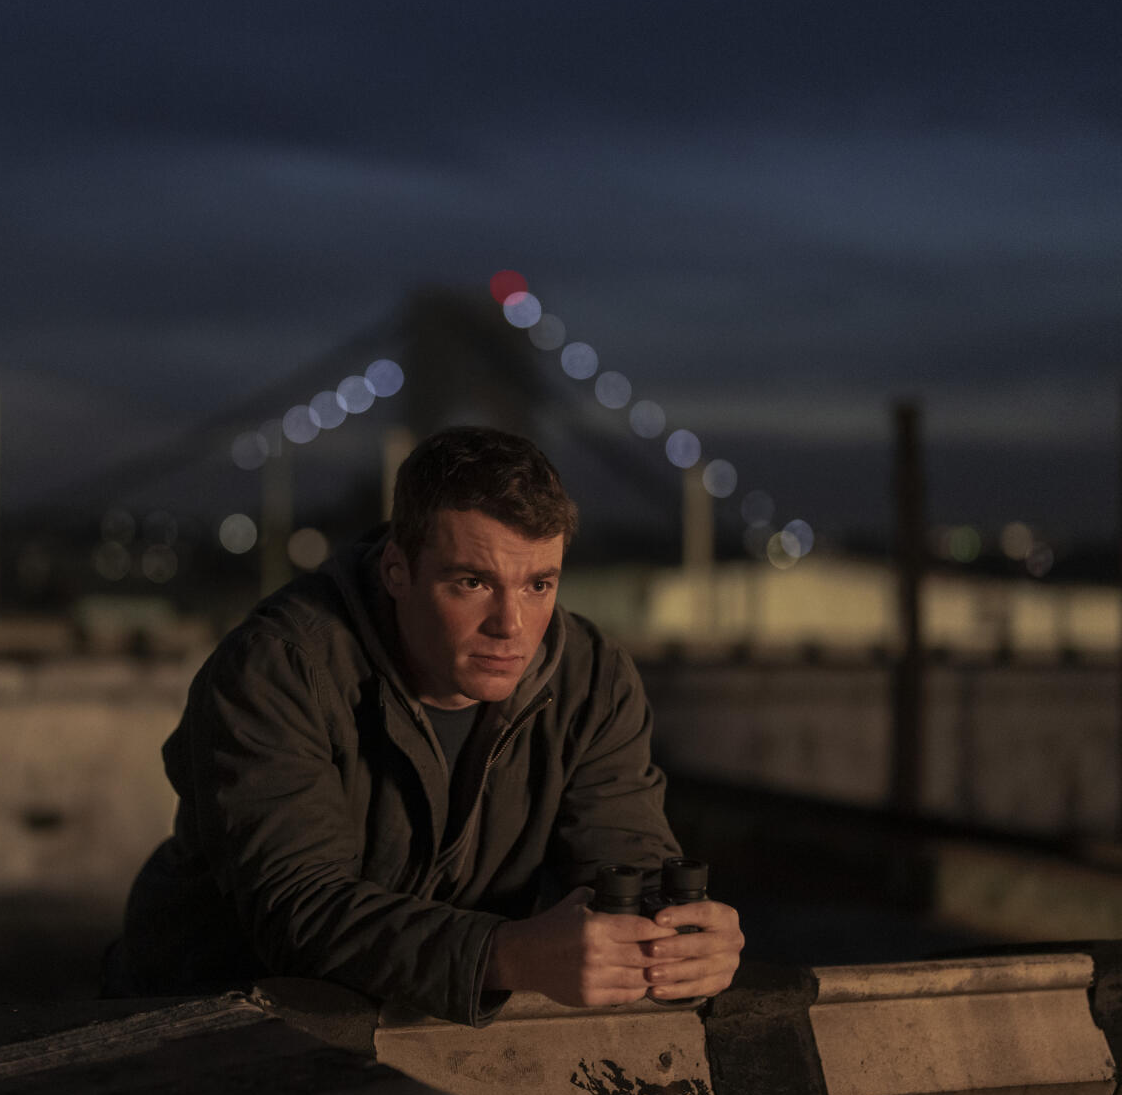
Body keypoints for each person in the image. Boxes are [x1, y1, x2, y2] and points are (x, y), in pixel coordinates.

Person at [103, 425, 743, 1025]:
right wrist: (509, 954)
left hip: (427, 1020)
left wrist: (683, 938)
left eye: (539, 584)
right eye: (472, 582)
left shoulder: (592, 678)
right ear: (396, 571)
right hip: (204, 1015)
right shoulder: (279, 668)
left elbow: (627, 864)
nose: (512, 626)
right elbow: (300, 910)